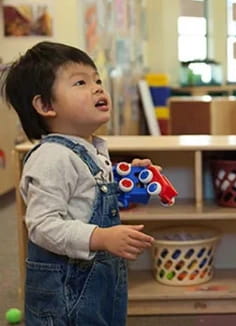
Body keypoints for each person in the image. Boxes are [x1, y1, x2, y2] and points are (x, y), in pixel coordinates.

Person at [0, 41, 154, 325]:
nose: (97, 87)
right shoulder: (52, 157)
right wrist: (102, 237)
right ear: (45, 105)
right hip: (65, 294)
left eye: (97, 80)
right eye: (81, 82)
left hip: (96, 283)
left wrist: (129, 179)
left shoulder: (89, 147)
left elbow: (87, 194)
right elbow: (42, 226)